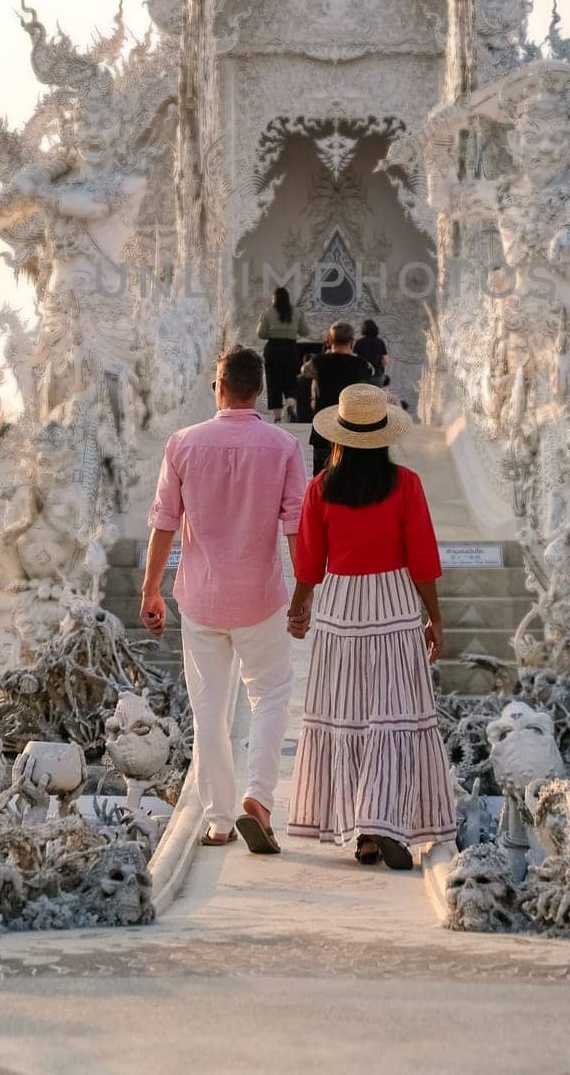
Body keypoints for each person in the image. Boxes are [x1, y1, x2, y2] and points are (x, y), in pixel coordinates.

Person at [141, 345, 306, 853]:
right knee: (271, 695)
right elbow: (297, 528)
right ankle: (257, 798)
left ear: (219, 386)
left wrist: (151, 590)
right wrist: (303, 594)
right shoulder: (282, 446)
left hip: (202, 598)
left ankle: (216, 820)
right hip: (260, 596)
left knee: (208, 708)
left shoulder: (183, 444)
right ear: (260, 390)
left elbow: (165, 523)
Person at [286, 382, 457, 868]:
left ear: (339, 436)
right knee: (395, 712)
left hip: (340, 607)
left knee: (348, 713)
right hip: (393, 606)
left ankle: (361, 834)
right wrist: (435, 618)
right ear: (384, 436)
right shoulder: (406, 485)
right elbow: (422, 559)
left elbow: (308, 564)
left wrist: (299, 610)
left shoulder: (321, 488)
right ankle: (383, 820)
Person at [307, 321, 373, 475]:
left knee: (321, 473)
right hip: (350, 426)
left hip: (323, 425)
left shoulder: (318, 362)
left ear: (329, 340)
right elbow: (371, 371)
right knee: (350, 472)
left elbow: (305, 370)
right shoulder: (361, 364)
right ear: (352, 341)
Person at [256, 286, 309, 423]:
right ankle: (291, 405)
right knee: (290, 379)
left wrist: (272, 332)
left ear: (274, 299)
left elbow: (261, 334)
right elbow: (305, 331)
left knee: (274, 382)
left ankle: (278, 417)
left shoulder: (267, 313)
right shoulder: (297, 312)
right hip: (291, 349)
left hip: (273, 349)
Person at [354, 318, 389, 386]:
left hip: (362, 375)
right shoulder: (380, 342)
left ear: (363, 330)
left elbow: (354, 358)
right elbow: (385, 361)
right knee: (376, 396)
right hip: (377, 375)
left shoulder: (359, 342)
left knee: (362, 396)